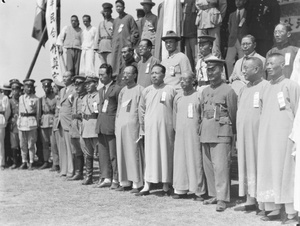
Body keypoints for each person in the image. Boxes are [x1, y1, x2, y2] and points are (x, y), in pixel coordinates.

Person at [256, 53, 300, 224]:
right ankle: (272, 209)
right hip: (267, 135)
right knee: (268, 169)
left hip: (285, 137)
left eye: (272, 64)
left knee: (285, 171)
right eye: (267, 64)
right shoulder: (265, 87)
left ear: (282, 65)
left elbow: (297, 112)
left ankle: (290, 213)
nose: (268, 67)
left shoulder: (291, 85)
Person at [199, 58, 237, 212]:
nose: (210, 72)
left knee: (221, 167)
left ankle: (223, 198)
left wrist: (233, 134)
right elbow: (202, 112)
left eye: (213, 69)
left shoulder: (228, 90)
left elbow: (234, 113)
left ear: (221, 70)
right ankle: (214, 194)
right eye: (208, 69)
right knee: (209, 167)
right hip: (206, 132)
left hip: (221, 133)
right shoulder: (205, 91)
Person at [136, 64, 176, 196]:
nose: (154, 76)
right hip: (150, 128)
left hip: (166, 128)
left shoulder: (171, 90)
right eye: (152, 73)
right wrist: (142, 125)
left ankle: (165, 184)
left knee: (165, 153)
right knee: (150, 155)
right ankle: (147, 184)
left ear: (163, 75)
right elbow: (141, 109)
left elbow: (175, 110)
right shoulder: (146, 91)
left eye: (157, 73)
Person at [234, 57, 268, 212]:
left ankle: (263, 202)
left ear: (256, 69)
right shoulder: (243, 88)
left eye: (246, 68)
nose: (243, 71)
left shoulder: (266, 86)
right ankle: (249, 199)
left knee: (259, 165)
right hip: (244, 137)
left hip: (258, 137)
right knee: (246, 165)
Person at [172, 71, 206, 199]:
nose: (182, 82)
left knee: (195, 160)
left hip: (194, 134)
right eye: (181, 80)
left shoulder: (199, 96)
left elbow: (202, 115)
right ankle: (180, 189)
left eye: (185, 80)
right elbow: (174, 115)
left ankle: (198, 190)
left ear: (193, 81)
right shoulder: (178, 97)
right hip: (180, 134)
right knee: (180, 160)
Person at [115, 65, 144, 192]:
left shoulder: (140, 90)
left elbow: (142, 110)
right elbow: (118, 109)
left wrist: (141, 128)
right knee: (121, 153)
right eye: (124, 73)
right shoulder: (122, 91)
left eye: (128, 73)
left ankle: (136, 183)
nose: (125, 76)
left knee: (133, 153)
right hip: (121, 126)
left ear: (135, 75)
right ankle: (124, 182)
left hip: (133, 126)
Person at [95, 63, 122, 189]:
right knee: (103, 153)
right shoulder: (100, 90)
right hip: (101, 124)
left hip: (111, 124)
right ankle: (106, 177)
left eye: (103, 75)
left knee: (113, 154)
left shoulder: (117, 89)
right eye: (99, 75)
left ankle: (116, 178)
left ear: (110, 74)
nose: (100, 77)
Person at [111, 0, 139, 78]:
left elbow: (135, 32)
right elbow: (113, 33)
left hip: (126, 46)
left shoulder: (129, 18)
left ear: (124, 7)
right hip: (116, 47)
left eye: (120, 6)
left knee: (126, 64)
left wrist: (131, 43)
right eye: (117, 6)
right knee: (115, 64)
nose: (118, 8)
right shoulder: (115, 20)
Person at [18, 79, 41, 170]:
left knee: (31, 144)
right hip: (22, 122)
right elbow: (19, 111)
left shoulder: (36, 99)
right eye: (27, 86)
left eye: (30, 86)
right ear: (24, 87)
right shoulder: (21, 98)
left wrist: (38, 123)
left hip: (32, 122)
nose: (29, 88)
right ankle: (24, 161)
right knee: (22, 144)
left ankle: (31, 162)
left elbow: (38, 113)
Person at [81, 75, 100, 185]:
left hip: (94, 126)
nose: (87, 86)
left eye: (89, 83)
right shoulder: (84, 98)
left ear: (96, 84)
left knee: (99, 154)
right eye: (86, 84)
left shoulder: (99, 96)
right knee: (87, 155)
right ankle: (89, 176)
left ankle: (103, 176)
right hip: (86, 127)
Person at [57, 71, 76, 177]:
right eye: (63, 76)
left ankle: (71, 170)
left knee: (70, 147)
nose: (64, 78)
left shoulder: (74, 90)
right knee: (62, 146)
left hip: (68, 121)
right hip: (61, 121)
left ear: (71, 78)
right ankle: (63, 169)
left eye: (66, 76)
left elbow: (74, 106)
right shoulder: (62, 90)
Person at [68, 75, 87, 181]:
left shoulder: (86, 97)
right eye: (75, 84)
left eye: (79, 84)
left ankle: (88, 174)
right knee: (76, 150)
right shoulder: (75, 97)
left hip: (82, 124)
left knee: (85, 149)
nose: (77, 86)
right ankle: (78, 172)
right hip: (74, 125)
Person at [225, 0, 248, 77]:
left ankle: (242, 79)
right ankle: (231, 78)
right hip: (232, 40)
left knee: (243, 61)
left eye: (240, 0)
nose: (237, 2)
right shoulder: (232, 15)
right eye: (236, 0)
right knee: (228, 61)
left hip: (243, 41)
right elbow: (229, 27)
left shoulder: (247, 14)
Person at [39, 78, 57, 170]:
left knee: (53, 144)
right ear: (42, 87)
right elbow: (40, 112)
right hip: (44, 122)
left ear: (51, 87)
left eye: (48, 87)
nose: (46, 89)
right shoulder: (42, 99)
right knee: (45, 144)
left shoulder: (55, 97)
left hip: (52, 121)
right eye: (44, 87)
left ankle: (55, 163)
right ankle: (46, 161)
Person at [8, 80, 23, 169]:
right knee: (14, 144)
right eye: (13, 89)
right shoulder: (9, 101)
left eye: (17, 89)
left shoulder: (22, 99)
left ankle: (23, 161)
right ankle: (14, 162)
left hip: (22, 123)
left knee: (22, 143)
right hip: (13, 124)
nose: (15, 91)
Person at [182, 0, 198, 71]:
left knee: (195, 56)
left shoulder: (195, 1)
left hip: (193, 33)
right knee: (188, 57)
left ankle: (197, 75)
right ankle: (191, 75)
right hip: (185, 33)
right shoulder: (184, 2)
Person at [49, 83, 61, 172]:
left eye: (54, 87)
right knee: (53, 145)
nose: (53, 88)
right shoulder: (55, 98)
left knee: (59, 145)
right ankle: (56, 163)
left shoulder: (61, 97)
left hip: (60, 123)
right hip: (55, 122)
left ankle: (60, 164)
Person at [0, 84, 11, 170]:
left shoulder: (4, 98)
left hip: (0, 120)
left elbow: (7, 111)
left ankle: (1, 163)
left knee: (1, 143)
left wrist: (5, 120)